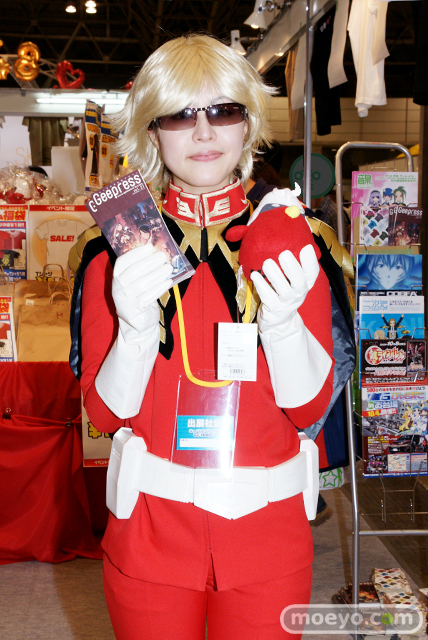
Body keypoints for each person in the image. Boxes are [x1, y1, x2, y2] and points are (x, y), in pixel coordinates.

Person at [77, 35, 334, 640]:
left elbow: (310, 408)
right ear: (152, 130)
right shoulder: (112, 250)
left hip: (268, 538)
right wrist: (135, 332)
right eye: (179, 114)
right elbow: (104, 414)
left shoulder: (296, 241)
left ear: (248, 124)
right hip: (149, 537)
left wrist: (283, 324)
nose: (202, 132)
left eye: (223, 110)